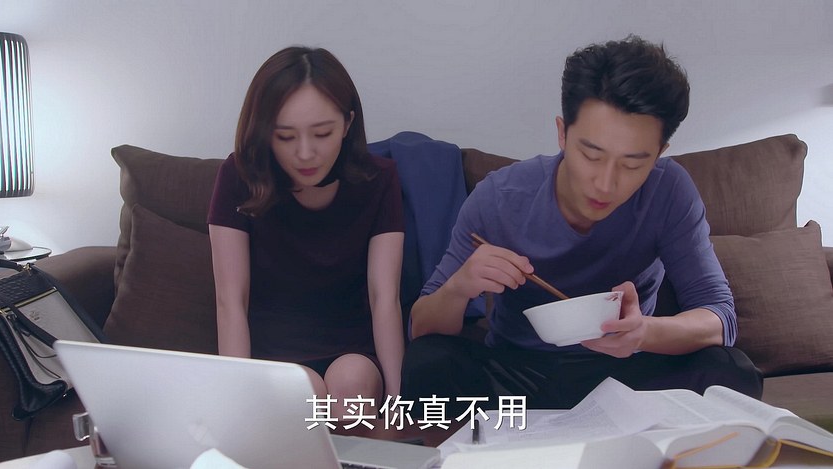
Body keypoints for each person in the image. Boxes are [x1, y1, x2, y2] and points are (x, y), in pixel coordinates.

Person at [401, 36, 762, 417]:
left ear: (659, 154)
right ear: (562, 133)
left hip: (630, 372)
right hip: (519, 374)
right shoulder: (500, 198)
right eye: (591, 155)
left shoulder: (669, 190)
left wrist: (644, 332)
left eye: (632, 164)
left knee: (731, 371)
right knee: (428, 362)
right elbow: (420, 327)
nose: (605, 184)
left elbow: (719, 317)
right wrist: (460, 286)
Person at [208, 46, 405, 409]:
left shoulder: (379, 179)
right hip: (271, 355)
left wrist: (396, 401)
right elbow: (231, 300)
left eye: (322, 133)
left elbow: (384, 297)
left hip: (352, 351)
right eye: (285, 136)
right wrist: (236, 397)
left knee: (350, 388)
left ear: (347, 124)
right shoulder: (239, 176)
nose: (304, 153)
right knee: (302, 390)